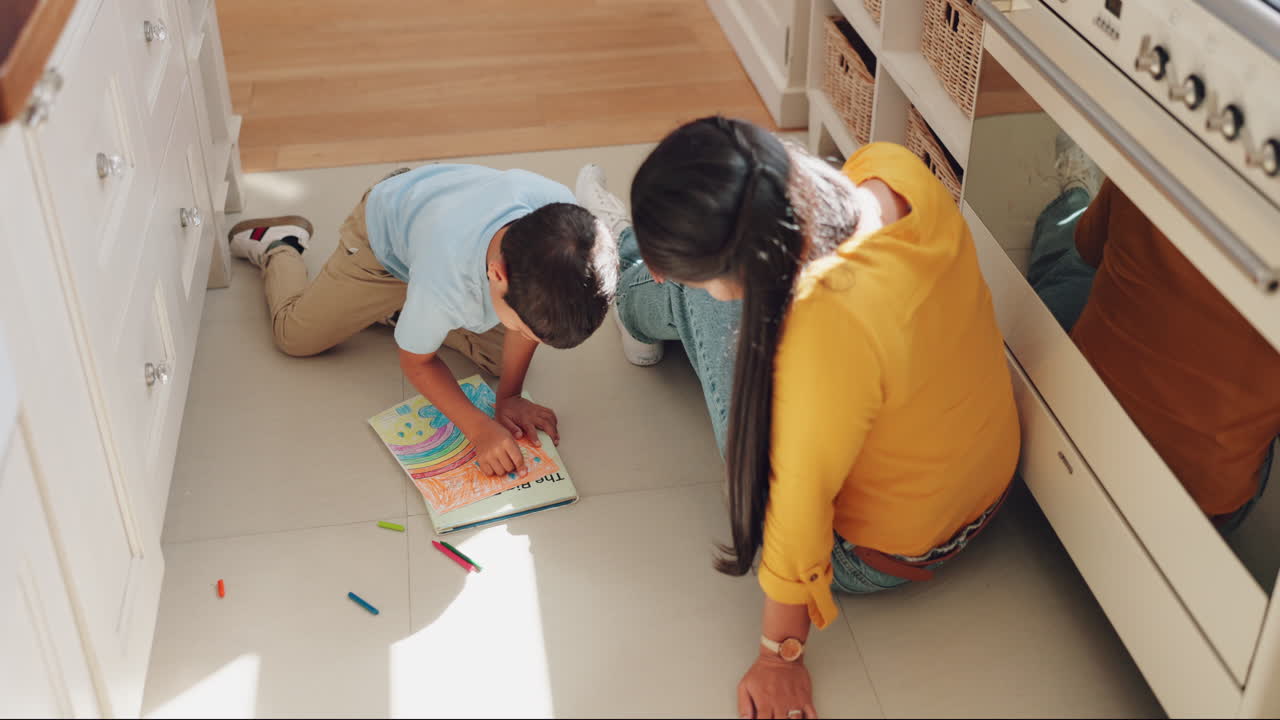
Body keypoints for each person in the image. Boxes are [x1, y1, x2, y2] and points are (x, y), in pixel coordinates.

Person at [575, 117, 1021, 719]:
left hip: (876, 558)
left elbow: (795, 505)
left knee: (695, 297)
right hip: (987, 488)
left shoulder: (823, 333)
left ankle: (627, 280)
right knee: (705, 287)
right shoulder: (891, 169)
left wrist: (778, 657)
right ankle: (635, 251)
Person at [229, 164, 619, 477]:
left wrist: (510, 396)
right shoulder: (443, 278)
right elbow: (416, 362)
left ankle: (404, 316)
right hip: (381, 239)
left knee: (499, 357)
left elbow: (527, 329)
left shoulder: (565, 228)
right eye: (524, 329)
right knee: (296, 336)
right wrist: (478, 428)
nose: (526, 336)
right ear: (499, 276)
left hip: (437, 212)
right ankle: (278, 244)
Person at [1027, 160, 1280, 531]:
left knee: (1080, 266)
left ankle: (1073, 197)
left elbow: (1088, 247)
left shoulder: (1153, 152)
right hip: (1189, 521)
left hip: (1063, 436)